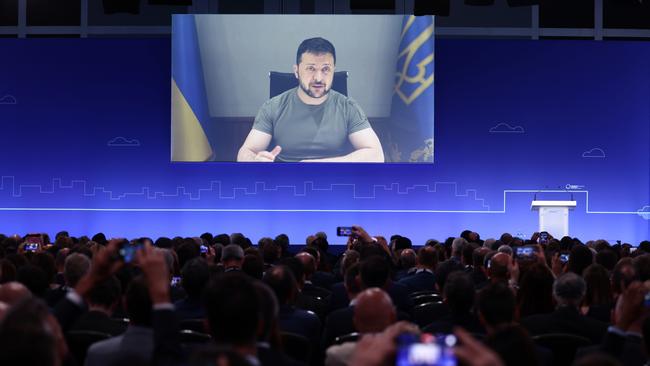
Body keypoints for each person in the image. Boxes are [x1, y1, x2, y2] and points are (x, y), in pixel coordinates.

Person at [237, 37, 384, 162]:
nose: (318, 78)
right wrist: (254, 160)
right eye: (311, 68)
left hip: (333, 180)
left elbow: (376, 155)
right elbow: (245, 152)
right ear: (296, 71)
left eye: (326, 69)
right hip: (286, 182)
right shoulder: (273, 107)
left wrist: (319, 166)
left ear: (333, 70)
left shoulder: (348, 107)